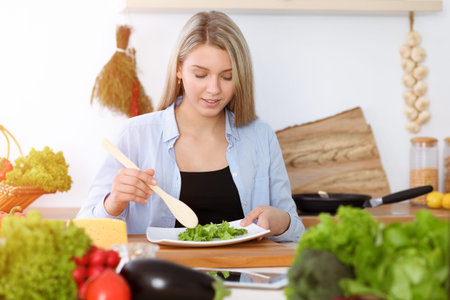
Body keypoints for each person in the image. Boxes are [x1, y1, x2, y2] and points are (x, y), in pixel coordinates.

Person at [77, 11, 305, 242]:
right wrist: (113, 203)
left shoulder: (259, 135)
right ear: (179, 70)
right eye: (200, 75)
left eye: (227, 77)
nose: (214, 89)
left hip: (243, 276)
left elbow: (296, 231)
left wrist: (281, 222)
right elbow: (83, 233)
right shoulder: (136, 136)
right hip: (160, 276)